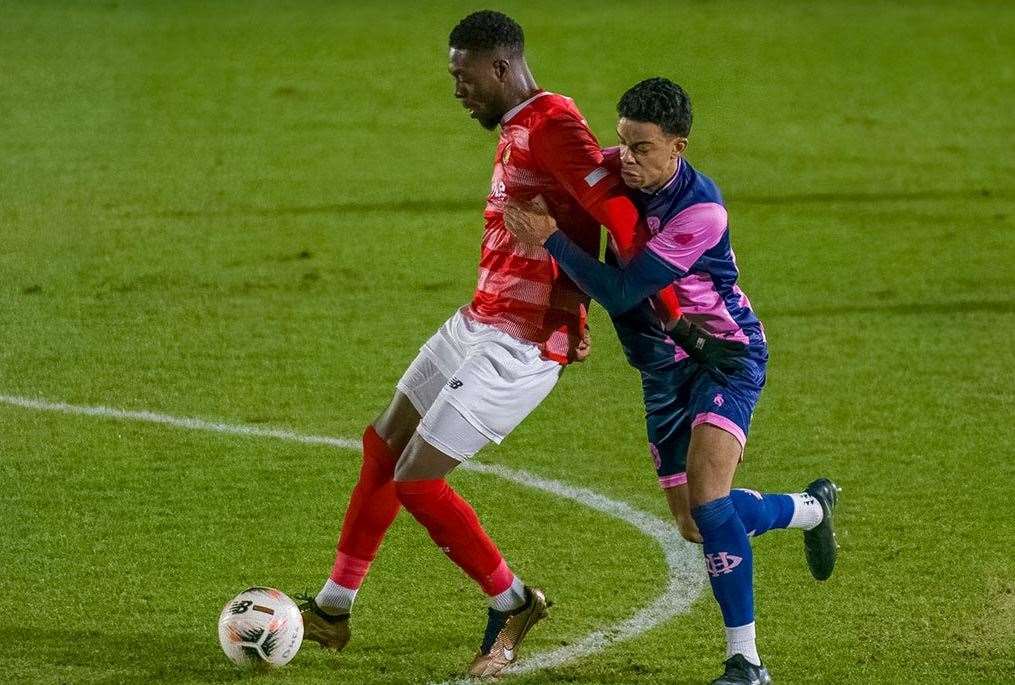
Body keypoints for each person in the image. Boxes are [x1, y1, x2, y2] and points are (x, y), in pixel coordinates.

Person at [299, 14, 736, 678]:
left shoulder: (554, 125)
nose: (456, 90)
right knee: (383, 442)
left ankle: (512, 602)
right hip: (479, 317)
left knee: (417, 476)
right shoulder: (521, 125)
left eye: (462, 75)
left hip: (522, 341)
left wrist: (671, 321)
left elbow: (617, 220)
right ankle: (332, 606)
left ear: (498, 68)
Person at [503, 77, 840, 685]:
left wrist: (548, 238)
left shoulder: (700, 210)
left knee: (711, 504)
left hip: (721, 356)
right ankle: (810, 509)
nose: (625, 159)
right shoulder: (619, 170)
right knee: (693, 524)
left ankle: (747, 662)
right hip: (662, 372)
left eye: (642, 148)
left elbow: (627, 290)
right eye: (622, 143)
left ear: (678, 146)